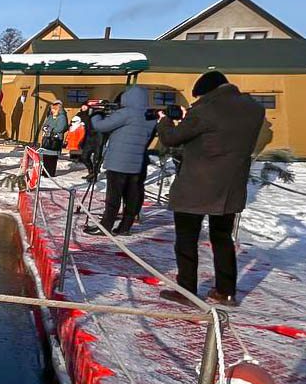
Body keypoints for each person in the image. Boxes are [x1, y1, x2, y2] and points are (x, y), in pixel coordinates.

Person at [157, 71, 265, 307]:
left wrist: (165, 120)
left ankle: (186, 289)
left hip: (197, 184)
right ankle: (226, 291)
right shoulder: (254, 108)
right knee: (222, 239)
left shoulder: (206, 110)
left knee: (187, 239)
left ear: (207, 92)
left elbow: (173, 138)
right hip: (230, 186)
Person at [83, 86, 156, 237]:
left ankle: (105, 226)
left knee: (113, 196)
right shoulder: (149, 115)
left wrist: (96, 114)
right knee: (131, 195)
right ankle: (125, 227)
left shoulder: (127, 113)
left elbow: (101, 126)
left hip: (118, 161)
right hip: (136, 161)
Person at [38, 100, 69, 177]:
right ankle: (45, 171)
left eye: (54, 109)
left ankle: (50, 172)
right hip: (47, 138)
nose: (52, 110)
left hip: (55, 139)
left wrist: (50, 128)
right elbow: (45, 125)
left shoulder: (62, 117)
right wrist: (45, 128)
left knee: (52, 156)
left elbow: (60, 128)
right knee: (46, 155)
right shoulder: (51, 117)